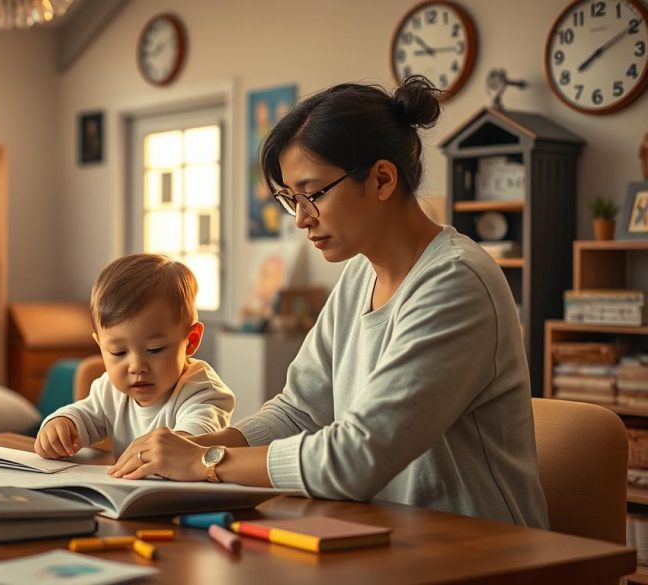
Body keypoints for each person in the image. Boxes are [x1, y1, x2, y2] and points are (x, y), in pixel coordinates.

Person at [106, 76, 549, 528]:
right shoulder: (361, 273)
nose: (301, 218)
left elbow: (356, 457)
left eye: (312, 193)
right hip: (386, 536)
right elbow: (301, 408)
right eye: (289, 198)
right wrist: (199, 446)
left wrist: (207, 462)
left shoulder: (455, 282)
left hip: (483, 550)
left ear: (381, 178)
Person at [35, 253, 235, 460]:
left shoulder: (204, 392)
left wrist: (179, 443)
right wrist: (61, 425)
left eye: (155, 349)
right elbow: (85, 415)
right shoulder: (110, 390)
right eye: (118, 352)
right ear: (101, 347)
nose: (137, 366)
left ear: (190, 340)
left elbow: (191, 442)